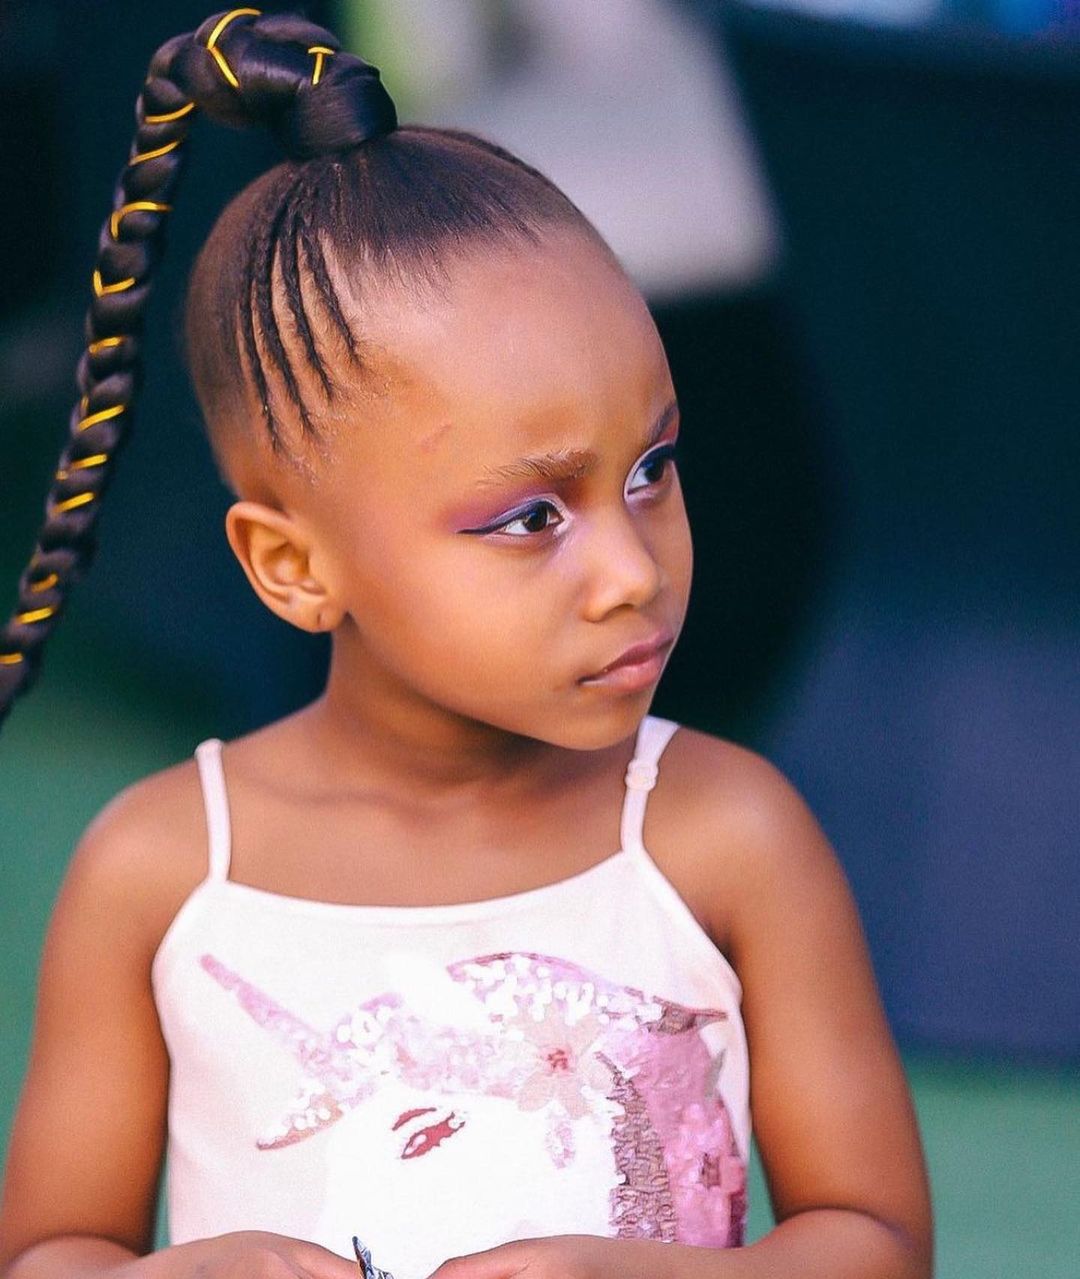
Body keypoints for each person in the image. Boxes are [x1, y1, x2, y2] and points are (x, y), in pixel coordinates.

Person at [0, 10, 932, 1279]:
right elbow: (53, 1253)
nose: (632, 570)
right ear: (294, 567)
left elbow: (875, 1243)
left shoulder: (728, 836)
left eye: (652, 468)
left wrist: (633, 1272)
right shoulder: (162, 869)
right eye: (531, 517)